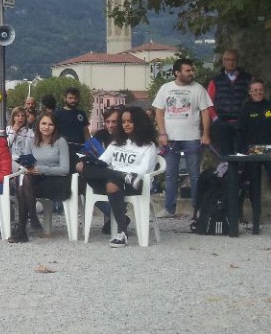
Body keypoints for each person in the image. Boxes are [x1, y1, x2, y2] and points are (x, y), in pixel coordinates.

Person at [80, 106, 158, 247]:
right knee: (81, 166)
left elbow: (144, 169)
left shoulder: (148, 145)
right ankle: (122, 176)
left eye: (130, 121)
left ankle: (122, 233)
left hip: (136, 183)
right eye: (123, 122)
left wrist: (125, 176)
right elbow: (103, 161)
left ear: (139, 123)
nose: (126, 125)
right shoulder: (116, 143)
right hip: (117, 179)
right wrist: (91, 161)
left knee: (112, 183)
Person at [153, 58, 213, 218]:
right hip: (170, 138)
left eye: (192, 70)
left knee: (194, 174)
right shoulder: (166, 88)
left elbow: (205, 112)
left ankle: (197, 208)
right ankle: (169, 208)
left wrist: (205, 134)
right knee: (170, 174)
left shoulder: (198, 89)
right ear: (177, 73)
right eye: (188, 71)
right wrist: (162, 133)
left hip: (192, 137)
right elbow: (159, 111)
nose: (191, 73)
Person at [9, 112, 71, 243]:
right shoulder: (32, 141)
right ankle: (32, 218)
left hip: (55, 180)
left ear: (55, 126)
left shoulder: (61, 141)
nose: (46, 127)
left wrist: (41, 169)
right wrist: (27, 168)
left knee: (23, 185)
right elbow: (27, 161)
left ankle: (23, 228)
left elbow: (65, 170)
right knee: (23, 179)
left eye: (50, 124)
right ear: (38, 125)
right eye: (43, 123)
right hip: (34, 180)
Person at [79, 106, 124, 234]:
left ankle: (116, 218)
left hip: (118, 173)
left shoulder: (125, 137)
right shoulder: (100, 134)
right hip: (101, 170)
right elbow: (91, 149)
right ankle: (118, 216)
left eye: (114, 122)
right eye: (108, 122)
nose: (110, 125)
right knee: (83, 180)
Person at [238, 78, 271, 231]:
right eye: (255, 90)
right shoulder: (246, 108)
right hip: (253, 150)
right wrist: (241, 151)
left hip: (269, 149)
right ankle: (256, 221)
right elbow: (241, 132)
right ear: (250, 92)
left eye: (260, 90)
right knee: (254, 186)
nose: (258, 93)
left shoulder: (269, 106)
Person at [206, 49, 251, 156]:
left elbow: (253, 99)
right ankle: (230, 173)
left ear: (237, 61)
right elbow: (208, 102)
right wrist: (215, 119)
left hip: (242, 123)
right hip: (222, 123)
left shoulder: (248, 79)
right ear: (223, 62)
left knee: (244, 154)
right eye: (227, 60)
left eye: (233, 60)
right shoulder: (215, 81)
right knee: (226, 155)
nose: (230, 62)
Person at [53, 87, 90, 163]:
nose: (73, 100)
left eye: (75, 98)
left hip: (80, 151)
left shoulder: (81, 113)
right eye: (70, 98)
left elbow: (86, 131)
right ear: (65, 98)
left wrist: (89, 147)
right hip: (63, 151)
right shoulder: (57, 114)